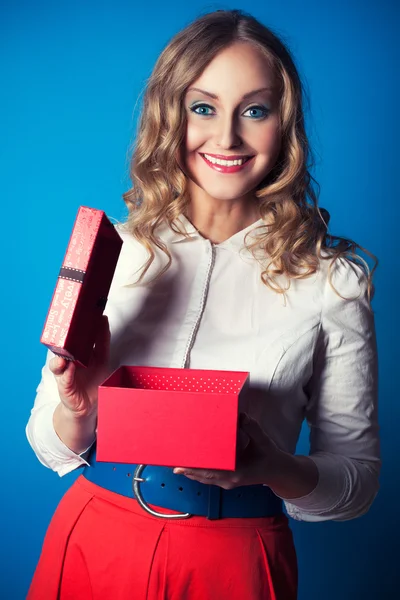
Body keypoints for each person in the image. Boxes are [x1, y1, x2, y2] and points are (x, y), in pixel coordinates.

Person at [26, 9, 380, 600]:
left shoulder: (333, 282)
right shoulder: (115, 249)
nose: (227, 139)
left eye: (255, 110)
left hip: (236, 560)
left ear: (284, 125)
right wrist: (76, 406)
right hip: (94, 537)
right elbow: (48, 446)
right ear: (171, 116)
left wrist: (270, 467)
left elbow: (358, 484)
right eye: (203, 108)